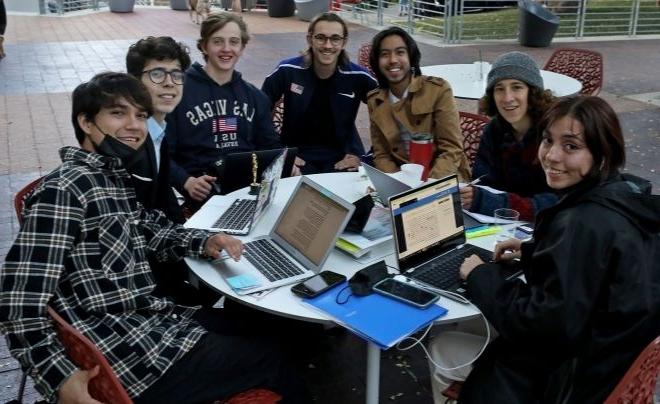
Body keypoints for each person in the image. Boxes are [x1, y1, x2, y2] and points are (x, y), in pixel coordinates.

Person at [0, 72, 309, 404]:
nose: (134, 125)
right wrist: (59, 378)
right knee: (276, 358)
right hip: (137, 358)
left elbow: (148, 229)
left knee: (268, 322)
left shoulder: (109, 176)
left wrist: (202, 242)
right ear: (87, 123)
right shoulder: (66, 189)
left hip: (154, 324)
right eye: (118, 113)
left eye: (141, 115)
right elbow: (19, 302)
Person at [455, 96, 660, 403]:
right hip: (608, 364)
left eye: (571, 146)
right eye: (547, 140)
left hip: (568, 383)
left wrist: (479, 275)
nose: (551, 156)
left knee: (446, 346)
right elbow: (600, 269)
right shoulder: (623, 196)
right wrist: (533, 250)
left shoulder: (584, 223)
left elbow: (542, 325)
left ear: (602, 153)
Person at [166, 12, 281, 210]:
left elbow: (271, 148)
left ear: (242, 47)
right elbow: (160, 153)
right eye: (218, 41)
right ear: (204, 46)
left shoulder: (255, 97)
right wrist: (185, 181)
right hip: (202, 196)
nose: (226, 49)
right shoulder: (178, 91)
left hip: (248, 192)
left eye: (234, 42)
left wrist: (286, 161)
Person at [261, 12, 377, 175]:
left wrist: (366, 158)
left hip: (344, 158)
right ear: (310, 40)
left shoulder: (357, 76)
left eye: (335, 38)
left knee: (355, 200)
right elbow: (259, 112)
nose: (328, 45)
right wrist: (279, 152)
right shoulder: (288, 71)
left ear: (344, 42)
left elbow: (388, 113)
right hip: (297, 156)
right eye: (321, 37)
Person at [460, 51, 557, 222]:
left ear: (532, 91)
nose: (507, 98)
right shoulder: (494, 130)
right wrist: (470, 194)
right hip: (501, 226)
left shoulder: (553, 133)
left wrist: (491, 202)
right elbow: (483, 180)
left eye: (517, 87)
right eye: (499, 89)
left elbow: (559, 201)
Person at [367, 26, 470, 182]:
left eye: (400, 52)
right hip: (402, 180)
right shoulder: (375, 100)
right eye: (385, 54)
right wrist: (398, 183)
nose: (393, 60)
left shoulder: (438, 90)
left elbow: (451, 148)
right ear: (377, 62)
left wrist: (427, 187)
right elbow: (381, 154)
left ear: (411, 57)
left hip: (443, 177)